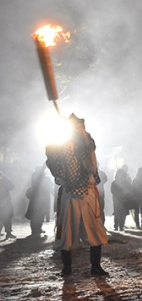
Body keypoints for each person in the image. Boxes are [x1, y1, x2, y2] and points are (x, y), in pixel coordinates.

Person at [45, 113, 108, 276]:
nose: (80, 130)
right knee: (67, 232)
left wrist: (83, 142)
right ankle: (67, 268)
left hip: (88, 191)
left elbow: (92, 168)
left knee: (94, 231)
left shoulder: (88, 142)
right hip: (70, 193)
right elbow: (52, 160)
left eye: (82, 127)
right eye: (77, 127)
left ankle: (96, 267)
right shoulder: (60, 145)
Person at [25, 165, 53, 236]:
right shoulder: (37, 177)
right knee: (36, 215)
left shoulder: (38, 177)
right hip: (38, 200)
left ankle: (37, 229)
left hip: (39, 200)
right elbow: (50, 188)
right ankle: (35, 230)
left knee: (40, 215)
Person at [0, 171, 15, 240]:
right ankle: (8, 233)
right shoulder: (3, 181)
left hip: (5, 202)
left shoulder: (3, 181)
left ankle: (8, 233)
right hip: (4, 203)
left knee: (7, 218)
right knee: (5, 218)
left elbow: (12, 186)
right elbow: (12, 185)